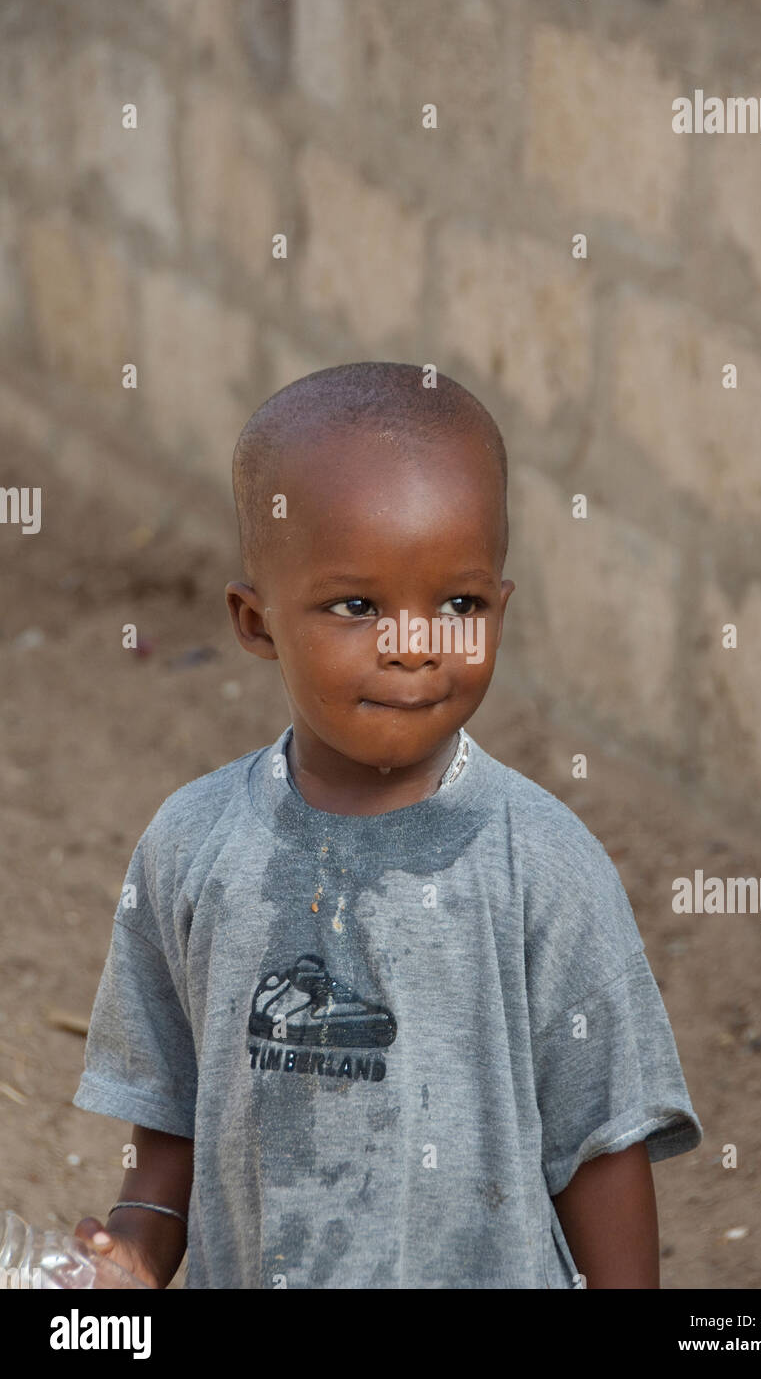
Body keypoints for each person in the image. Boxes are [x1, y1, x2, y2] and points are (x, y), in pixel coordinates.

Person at [73, 361, 702, 1289]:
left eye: (459, 603)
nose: (416, 644)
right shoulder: (192, 847)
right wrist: (131, 1252)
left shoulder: (544, 865)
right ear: (255, 623)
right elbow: (170, 1131)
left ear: (500, 608)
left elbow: (599, 1149)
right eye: (356, 605)